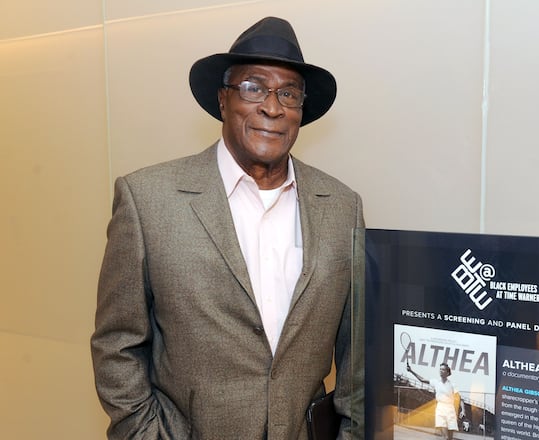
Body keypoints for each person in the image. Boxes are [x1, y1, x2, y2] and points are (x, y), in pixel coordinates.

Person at [90, 16, 364, 440]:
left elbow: (356, 354)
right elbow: (117, 344)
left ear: (300, 110)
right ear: (223, 100)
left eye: (288, 93)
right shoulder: (147, 199)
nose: (272, 107)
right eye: (253, 87)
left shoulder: (343, 207)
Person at [407, 363, 466, 440]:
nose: (441, 371)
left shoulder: (452, 385)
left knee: (450, 438)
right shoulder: (436, 382)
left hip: (450, 409)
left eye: (443, 369)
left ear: (447, 373)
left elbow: (460, 398)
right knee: (446, 437)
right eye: (440, 369)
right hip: (440, 408)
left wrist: (463, 410)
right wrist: (411, 371)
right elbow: (422, 380)